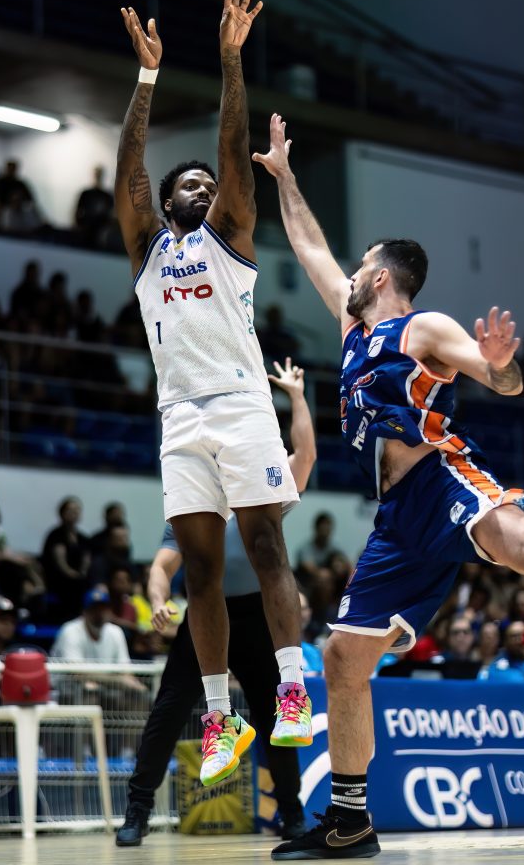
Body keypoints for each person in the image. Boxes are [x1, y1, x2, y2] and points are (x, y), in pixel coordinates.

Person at [254, 113, 524, 860]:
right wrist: (286, 177)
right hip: (396, 518)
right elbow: (310, 247)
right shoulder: (353, 333)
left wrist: (501, 365)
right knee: (345, 659)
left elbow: (502, 383)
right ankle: (350, 821)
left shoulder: (422, 330)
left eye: (359, 269)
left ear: (379, 278)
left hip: (443, 475)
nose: (345, 277)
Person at [114, 0, 311, 786]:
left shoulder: (229, 237)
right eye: (187, 185)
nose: (203, 188)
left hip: (241, 406)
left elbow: (234, 155)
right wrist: (147, 78)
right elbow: (126, 171)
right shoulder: (149, 252)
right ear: (167, 203)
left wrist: (231, 59)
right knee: (199, 572)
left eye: (208, 184)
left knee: (264, 546)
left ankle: (292, 690)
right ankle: (221, 715)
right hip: (180, 418)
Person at [116, 358, 315, 846]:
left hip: (255, 616)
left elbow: (305, 456)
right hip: (206, 621)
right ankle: (137, 810)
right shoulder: (193, 506)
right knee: (168, 711)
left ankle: (292, 814)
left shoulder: (260, 495)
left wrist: (297, 397)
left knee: (275, 717)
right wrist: (158, 600)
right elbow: (160, 568)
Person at [40, 497, 91, 622]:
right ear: (62, 513)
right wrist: (73, 575)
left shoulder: (83, 538)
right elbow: (60, 563)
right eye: (70, 510)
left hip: (79, 579)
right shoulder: (55, 535)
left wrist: (82, 573)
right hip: (59, 579)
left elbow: (87, 560)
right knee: (72, 586)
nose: (74, 513)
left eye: (77, 510)